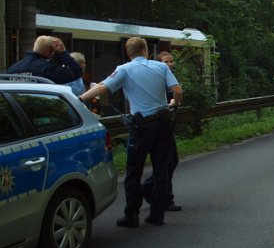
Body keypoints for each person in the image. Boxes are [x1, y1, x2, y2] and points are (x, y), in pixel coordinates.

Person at [79, 37, 182, 226]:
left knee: (134, 171)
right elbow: (177, 90)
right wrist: (174, 103)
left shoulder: (125, 69)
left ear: (129, 53)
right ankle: (157, 215)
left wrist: (79, 99)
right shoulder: (161, 68)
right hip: (164, 124)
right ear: (146, 51)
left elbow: (103, 87)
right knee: (161, 171)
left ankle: (132, 215)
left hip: (142, 127)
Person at [141, 51, 181, 212]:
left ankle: (161, 194)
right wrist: (172, 103)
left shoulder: (170, 78)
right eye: (166, 61)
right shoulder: (159, 79)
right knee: (167, 162)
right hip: (159, 123)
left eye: (171, 61)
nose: (170, 64)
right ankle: (158, 193)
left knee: (171, 161)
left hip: (167, 123)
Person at [7, 35, 82, 85]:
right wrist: (62, 52)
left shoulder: (12, 69)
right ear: (48, 51)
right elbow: (76, 72)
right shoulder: (47, 68)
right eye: (53, 52)